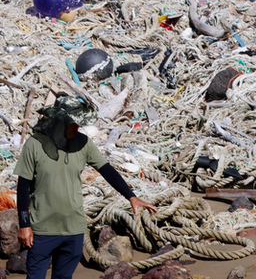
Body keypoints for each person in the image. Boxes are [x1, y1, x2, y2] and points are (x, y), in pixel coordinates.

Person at [14, 95, 157, 279]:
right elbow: (23, 187)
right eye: (72, 123)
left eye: (78, 123)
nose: (77, 127)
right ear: (59, 121)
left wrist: (132, 197)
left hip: (74, 230)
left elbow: (106, 170)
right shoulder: (34, 145)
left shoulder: (83, 143)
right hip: (43, 230)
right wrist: (24, 225)